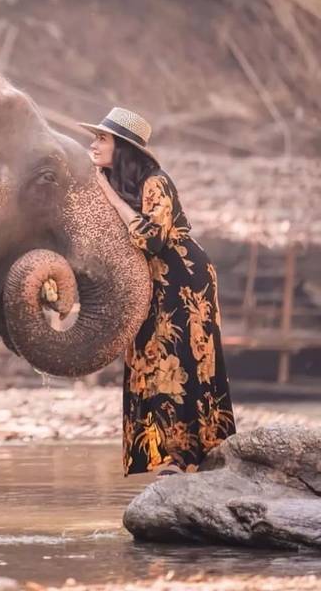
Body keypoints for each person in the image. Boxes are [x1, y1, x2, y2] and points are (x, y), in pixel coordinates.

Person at [78, 107, 236, 476]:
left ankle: (186, 457)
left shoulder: (155, 182)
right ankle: (165, 453)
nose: (93, 144)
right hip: (151, 283)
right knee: (148, 358)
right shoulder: (120, 184)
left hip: (184, 280)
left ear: (123, 147)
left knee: (180, 360)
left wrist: (106, 190)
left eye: (101, 138)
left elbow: (151, 238)